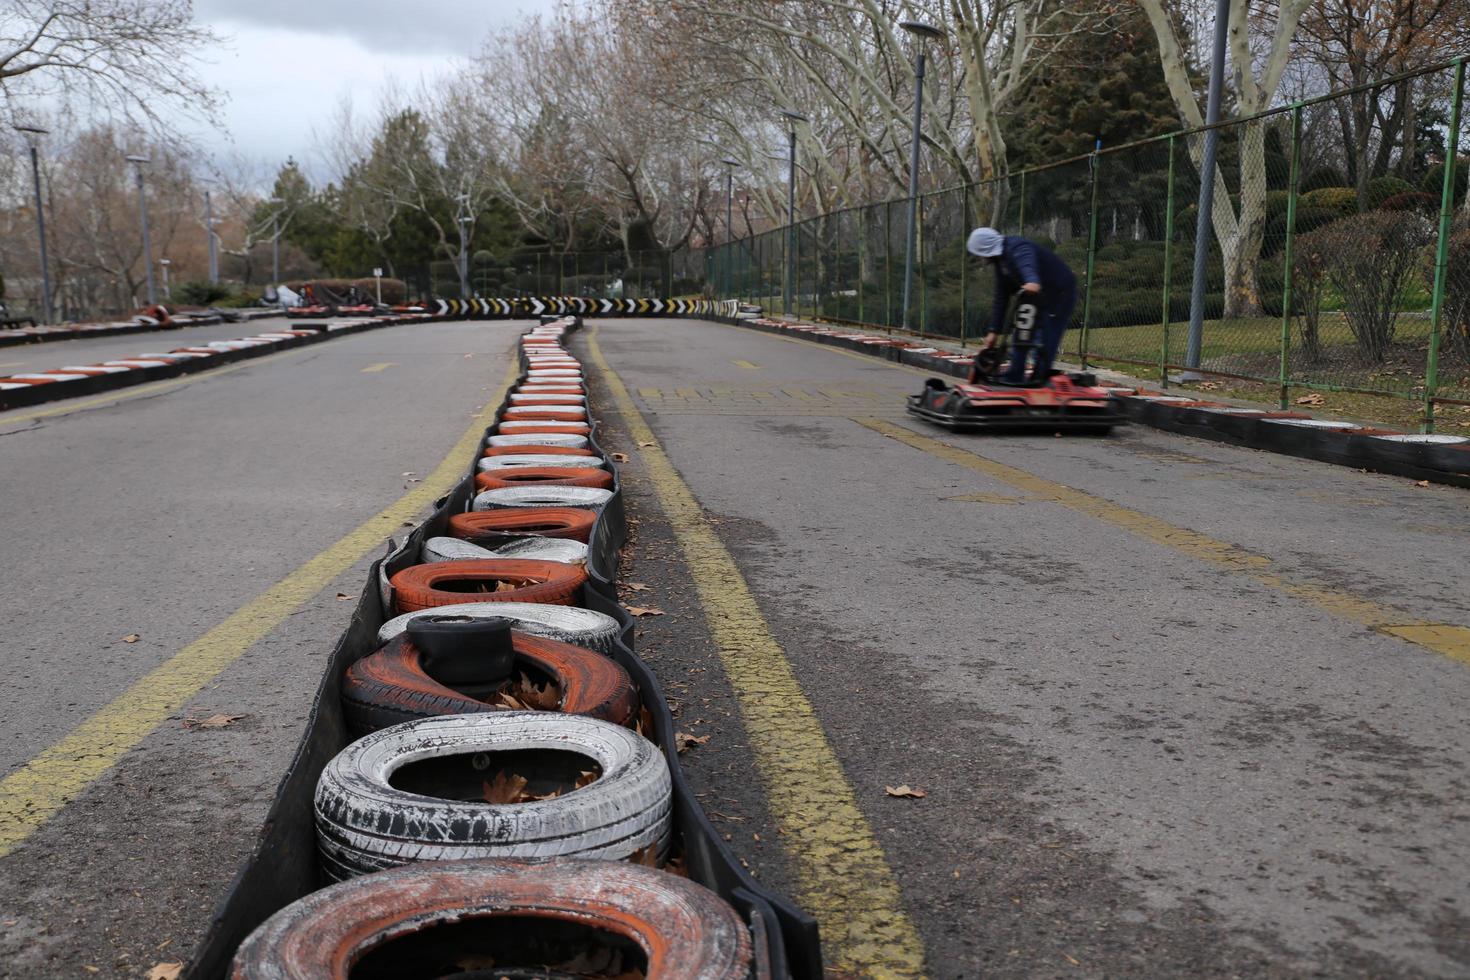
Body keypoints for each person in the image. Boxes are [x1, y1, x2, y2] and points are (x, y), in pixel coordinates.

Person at [966, 227, 1078, 384]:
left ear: (986, 249)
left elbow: (1027, 263)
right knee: (1021, 333)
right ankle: (1015, 376)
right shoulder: (1001, 263)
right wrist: (994, 331)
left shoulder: (1017, 247)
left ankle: (1039, 378)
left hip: (1058, 294)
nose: (979, 258)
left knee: (1046, 337)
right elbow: (1001, 297)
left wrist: (1031, 280)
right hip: (1035, 297)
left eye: (979, 254)